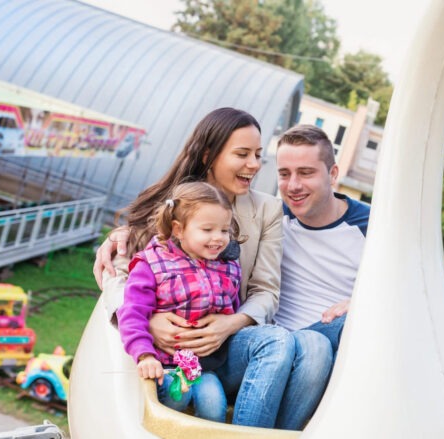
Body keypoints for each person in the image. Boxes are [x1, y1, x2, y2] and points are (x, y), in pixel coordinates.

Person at [94, 108, 332, 430]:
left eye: (259, 155)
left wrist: (229, 324)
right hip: (171, 349)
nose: (254, 165)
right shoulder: (173, 206)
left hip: (227, 343)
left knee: (313, 346)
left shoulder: (266, 210)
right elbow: (122, 276)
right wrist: (148, 321)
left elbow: (265, 289)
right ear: (210, 154)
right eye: (242, 154)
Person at [273, 124, 444, 358]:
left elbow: (411, 290)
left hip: (353, 330)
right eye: (284, 174)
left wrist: (364, 301)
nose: (293, 185)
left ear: (333, 174)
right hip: (298, 340)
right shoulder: (269, 217)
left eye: (305, 173)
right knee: (351, 329)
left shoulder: (376, 226)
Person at [117, 182, 241, 423]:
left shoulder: (229, 267)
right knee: (178, 398)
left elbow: (232, 308)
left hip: (204, 366)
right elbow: (132, 313)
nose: (218, 238)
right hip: (165, 362)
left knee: (214, 406)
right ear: (179, 229)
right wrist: (145, 356)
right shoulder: (152, 264)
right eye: (207, 230)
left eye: (224, 230)